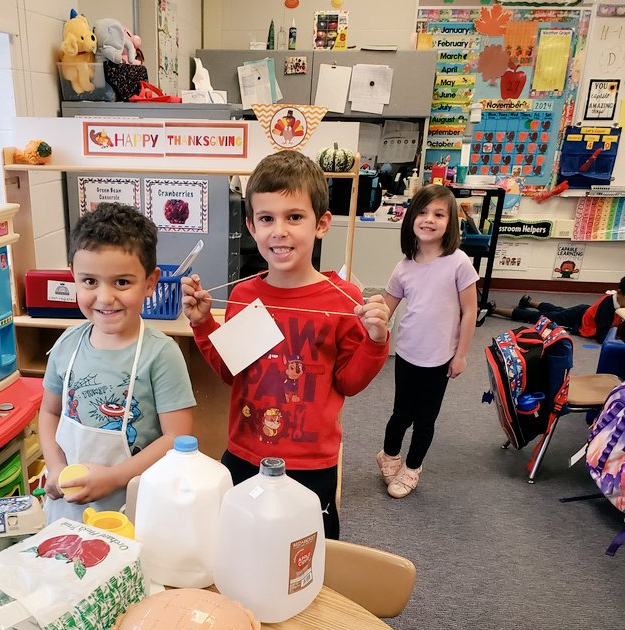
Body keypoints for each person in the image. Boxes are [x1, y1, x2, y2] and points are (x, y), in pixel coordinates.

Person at [181, 150, 390, 539]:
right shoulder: (244, 294)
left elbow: (349, 383)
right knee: (240, 543)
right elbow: (231, 372)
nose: (279, 230)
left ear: (321, 223)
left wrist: (376, 341)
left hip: (312, 463)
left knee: (306, 555)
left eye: (294, 217)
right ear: (251, 227)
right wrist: (203, 324)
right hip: (245, 453)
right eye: (266, 219)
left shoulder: (342, 298)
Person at [39, 202, 196, 522]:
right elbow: (49, 411)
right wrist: (55, 466)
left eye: (122, 282)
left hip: (135, 509)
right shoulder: (66, 346)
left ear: (150, 282)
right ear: (73, 276)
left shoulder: (161, 355)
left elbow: (176, 439)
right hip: (66, 509)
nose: (105, 297)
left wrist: (114, 477)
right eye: (90, 282)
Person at [376, 184, 479, 499]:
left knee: (424, 420)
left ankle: (412, 468)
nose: (429, 219)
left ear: (451, 222)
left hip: (440, 358)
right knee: (400, 414)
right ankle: (389, 456)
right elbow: (387, 308)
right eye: (421, 212)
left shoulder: (459, 262)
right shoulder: (404, 267)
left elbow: (469, 311)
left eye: (438, 214)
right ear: (411, 219)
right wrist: (370, 313)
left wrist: (460, 355)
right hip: (408, 353)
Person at [488, 278, 625, 343]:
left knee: (555, 310)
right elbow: (602, 337)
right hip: (578, 319)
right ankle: (494, 309)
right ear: (619, 293)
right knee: (541, 317)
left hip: (582, 312)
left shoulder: (615, 300)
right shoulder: (607, 307)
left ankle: (528, 301)